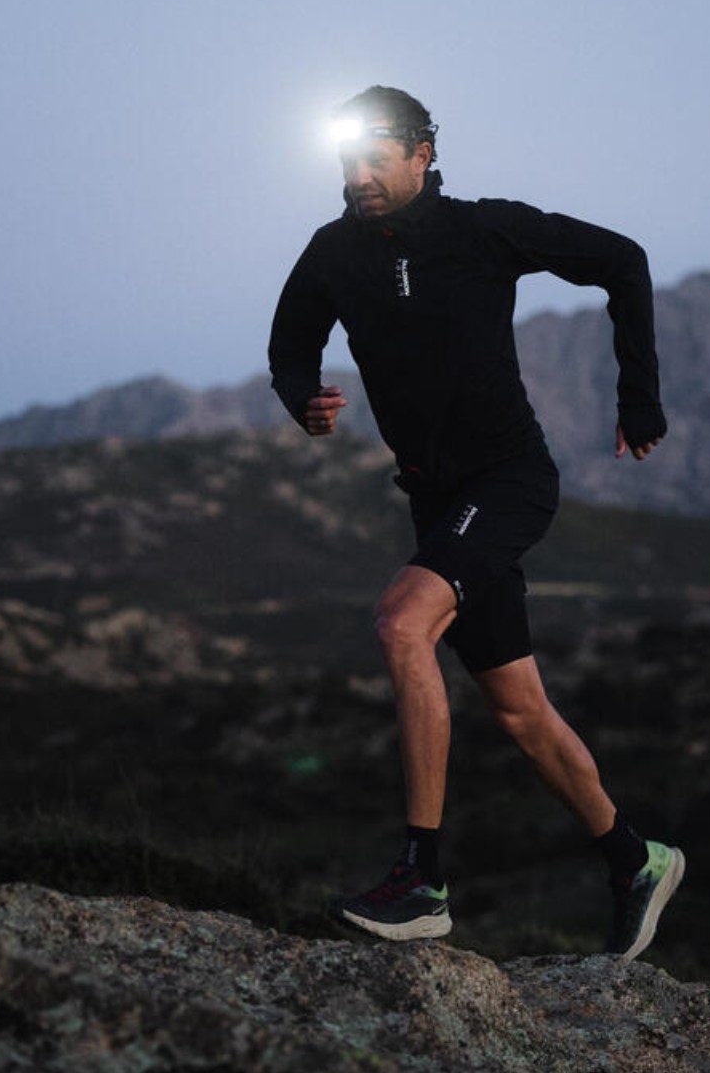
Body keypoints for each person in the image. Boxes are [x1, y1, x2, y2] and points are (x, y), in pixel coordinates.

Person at [266, 85, 684, 961]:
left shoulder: (483, 230)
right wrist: (302, 397)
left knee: (400, 622)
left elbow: (624, 259)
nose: (358, 174)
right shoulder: (334, 252)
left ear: (423, 155)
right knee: (521, 712)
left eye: (376, 158)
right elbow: (291, 342)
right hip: (435, 497)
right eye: (346, 158)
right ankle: (636, 860)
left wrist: (638, 395)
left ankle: (421, 879)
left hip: (508, 480)